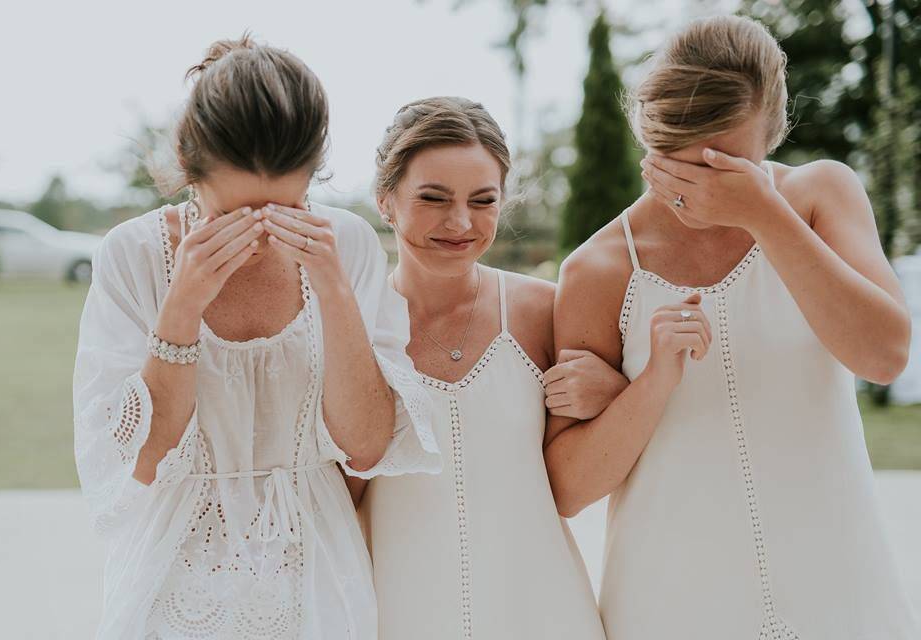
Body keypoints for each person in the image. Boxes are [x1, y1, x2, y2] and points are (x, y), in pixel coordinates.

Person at [545, 15, 919, 639]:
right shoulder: (599, 267)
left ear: (772, 128)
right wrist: (647, 388)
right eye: (681, 165)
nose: (703, 193)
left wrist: (766, 216)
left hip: (832, 574)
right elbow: (570, 489)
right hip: (672, 590)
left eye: (727, 166)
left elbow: (884, 356)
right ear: (651, 138)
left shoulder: (821, 195)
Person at [73, 36, 439, 640]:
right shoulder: (132, 255)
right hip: (171, 577)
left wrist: (335, 294)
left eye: (285, 206)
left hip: (317, 573)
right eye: (233, 215)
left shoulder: (346, 244)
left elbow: (369, 446)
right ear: (189, 172)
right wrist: (181, 309)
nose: (261, 233)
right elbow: (137, 460)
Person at [359, 97, 624, 639]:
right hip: (401, 613)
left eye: (483, 200)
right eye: (433, 198)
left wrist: (615, 388)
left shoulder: (546, 312)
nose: (459, 223)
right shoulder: (354, 329)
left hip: (543, 610)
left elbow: (598, 457)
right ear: (385, 201)